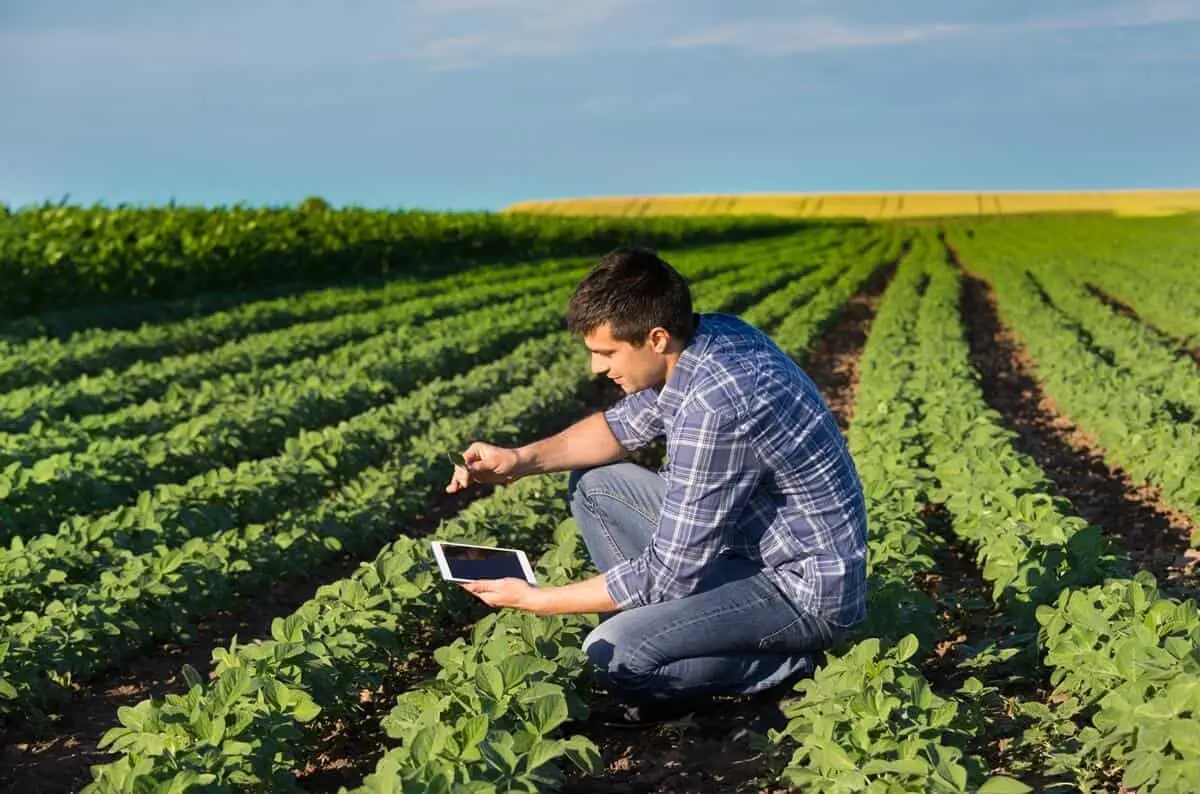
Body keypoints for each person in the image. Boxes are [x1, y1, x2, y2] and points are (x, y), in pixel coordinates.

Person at [445, 246, 868, 727]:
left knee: (615, 654)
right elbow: (619, 429)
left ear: (657, 337)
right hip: (748, 549)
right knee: (598, 486)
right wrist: (518, 460)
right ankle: (668, 628)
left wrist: (540, 599)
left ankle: (787, 667)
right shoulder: (710, 336)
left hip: (801, 591)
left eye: (605, 353)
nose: (596, 368)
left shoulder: (719, 405)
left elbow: (671, 573)